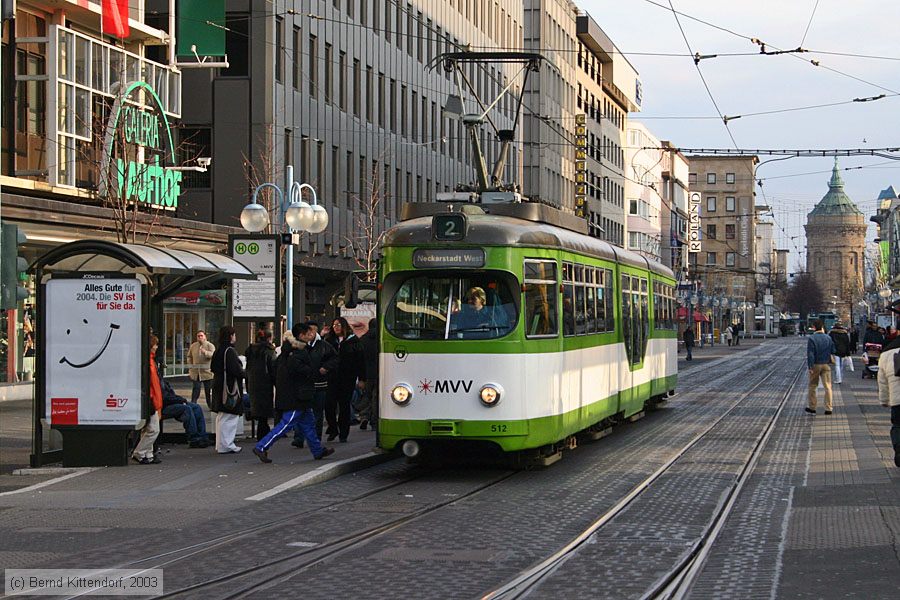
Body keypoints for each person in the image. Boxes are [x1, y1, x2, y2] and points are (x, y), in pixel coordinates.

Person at [253, 323, 335, 463]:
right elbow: (299, 370)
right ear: (301, 335)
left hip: (300, 394)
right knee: (286, 424)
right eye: (309, 333)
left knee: (308, 424)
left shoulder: (290, 350)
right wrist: (313, 371)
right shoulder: (297, 352)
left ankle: (317, 450)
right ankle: (261, 446)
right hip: (296, 395)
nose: (311, 335)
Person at [293, 321, 338, 448]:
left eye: (313, 330)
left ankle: (316, 438)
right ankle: (299, 437)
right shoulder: (299, 346)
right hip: (304, 385)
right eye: (309, 331)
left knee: (317, 413)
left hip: (319, 383)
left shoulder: (324, 346)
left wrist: (325, 367)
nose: (311, 333)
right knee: (301, 411)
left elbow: (334, 358)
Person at [326, 316, 366, 443]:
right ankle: (333, 428)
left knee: (344, 406)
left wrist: (361, 378)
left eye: (338, 325)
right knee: (329, 405)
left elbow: (361, 361)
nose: (336, 328)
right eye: (334, 325)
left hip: (347, 377)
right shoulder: (329, 341)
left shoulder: (353, 342)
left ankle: (344, 433)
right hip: (331, 377)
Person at [210, 326, 245, 454]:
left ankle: (220, 444)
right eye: (234, 335)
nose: (235, 337)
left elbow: (213, 367)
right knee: (230, 416)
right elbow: (236, 370)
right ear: (230, 336)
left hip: (219, 385)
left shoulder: (218, 350)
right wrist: (244, 373)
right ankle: (227, 444)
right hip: (229, 386)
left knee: (221, 417)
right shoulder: (230, 351)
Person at [133, 335, 163, 464]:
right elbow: (153, 385)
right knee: (154, 429)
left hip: (151, 399)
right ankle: (139, 452)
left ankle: (147, 454)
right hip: (151, 399)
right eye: (155, 345)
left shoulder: (148, 361)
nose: (156, 347)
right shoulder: (149, 363)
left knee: (148, 428)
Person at [245, 328, 276, 440]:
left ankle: (261, 432)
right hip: (265, 384)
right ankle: (263, 435)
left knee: (258, 409)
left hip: (253, 383)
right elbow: (273, 368)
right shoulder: (269, 351)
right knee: (265, 411)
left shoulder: (251, 350)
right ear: (269, 338)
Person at [160, 378, 210, 447]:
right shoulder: (156, 380)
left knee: (196, 407)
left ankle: (202, 436)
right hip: (163, 406)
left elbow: (169, 396)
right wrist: (180, 400)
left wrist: (180, 400)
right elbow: (165, 398)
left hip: (169, 402)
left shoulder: (160, 379)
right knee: (187, 409)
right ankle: (194, 438)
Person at [877, 336, 900, 467]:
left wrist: (884, 400)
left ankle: (899, 447)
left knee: (897, 425)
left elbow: (882, 381)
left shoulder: (886, 354)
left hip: (897, 400)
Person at [807, 319, 837, 415]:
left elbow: (810, 354)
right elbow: (834, 350)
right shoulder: (828, 338)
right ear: (822, 327)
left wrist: (810, 366)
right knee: (828, 387)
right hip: (826, 364)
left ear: (814, 327)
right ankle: (828, 408)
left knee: (812, 386)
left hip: (816, 364)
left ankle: (812, 407)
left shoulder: (812, 338)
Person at [358, 318, 380, 430]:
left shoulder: (363, 339)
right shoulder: (381, 339)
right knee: (376, 397)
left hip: (366, 373)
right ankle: (374, 421)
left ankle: (364, 416)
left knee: (366, 395)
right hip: (379, 372)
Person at [187, 331, 215, 405]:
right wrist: (190, 365)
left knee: (208, 390)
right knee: (196, 388)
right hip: (196, 372)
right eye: (198, 336)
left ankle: (210, 405)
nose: (200, 337)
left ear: (205, 336)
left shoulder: (210, 345)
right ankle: (193, 403)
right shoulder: (193, 346)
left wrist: (205, 352)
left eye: (201, 336)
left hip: (207, 373)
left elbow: (213, 355)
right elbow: (189, 356)